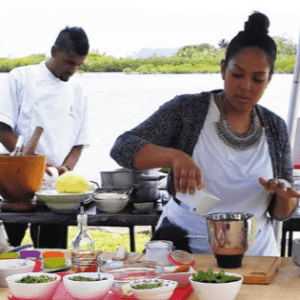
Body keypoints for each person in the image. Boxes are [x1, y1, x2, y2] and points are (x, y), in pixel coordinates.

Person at [110, 12, 300, 256]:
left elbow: (281, 213)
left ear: (269, 79)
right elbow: (123, 147)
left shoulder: (275, 127)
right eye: (237, 75)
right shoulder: (187, 110)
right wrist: (175, 157)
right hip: (183, 252)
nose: (246, 86)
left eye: (258, 78)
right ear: (223, 69)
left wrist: (283, 196)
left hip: (256, 257)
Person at [0, 26, 90, 248]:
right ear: (54, 50)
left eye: (79, 65)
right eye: (69, 62)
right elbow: (3, 128)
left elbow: (78, 144)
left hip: (56, 189)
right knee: (8, 253)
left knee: (52, 253)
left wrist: (65, 171)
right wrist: (33, 166)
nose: (73, 70)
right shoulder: (21, 77)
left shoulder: (78, 92)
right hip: (16, 183)